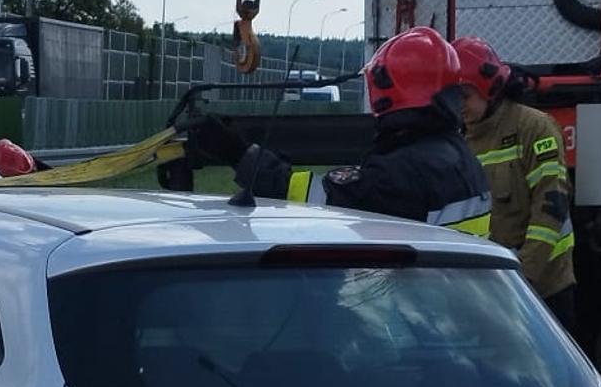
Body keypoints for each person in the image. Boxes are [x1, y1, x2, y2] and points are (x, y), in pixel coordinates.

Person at [177, 26, 492, 235]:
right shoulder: (460, 156)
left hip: (414, 314)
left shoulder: (399, 173)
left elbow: (314, 197)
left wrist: (236, 153)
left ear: (385, 86)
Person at [451, 36, 578, 332]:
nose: (458, 106)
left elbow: (551, 206)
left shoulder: (533, 127)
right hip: (491, 288)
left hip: (543, 287)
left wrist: (524, 275)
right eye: (451, 97)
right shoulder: (458, 140)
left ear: (490, 89)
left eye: (464, 96)